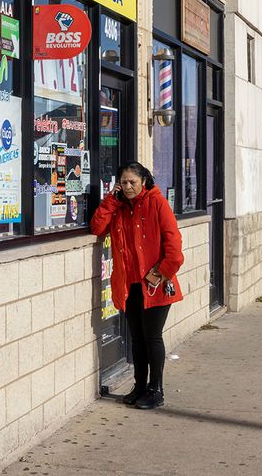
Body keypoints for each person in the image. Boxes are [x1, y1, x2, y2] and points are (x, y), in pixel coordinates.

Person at [90, 161, 183, 410]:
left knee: (152, 337)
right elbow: (97, 227)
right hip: (129, 286)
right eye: (124, 182)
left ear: (144, 181)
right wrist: (112, 201)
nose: (128, 186)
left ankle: (156, 389)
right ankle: (140, 385)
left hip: (155, 285)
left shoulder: (157, 203)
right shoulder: (119, 208)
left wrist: (159, 274)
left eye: (133, 182)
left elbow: (174, 250)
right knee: (137, 339)